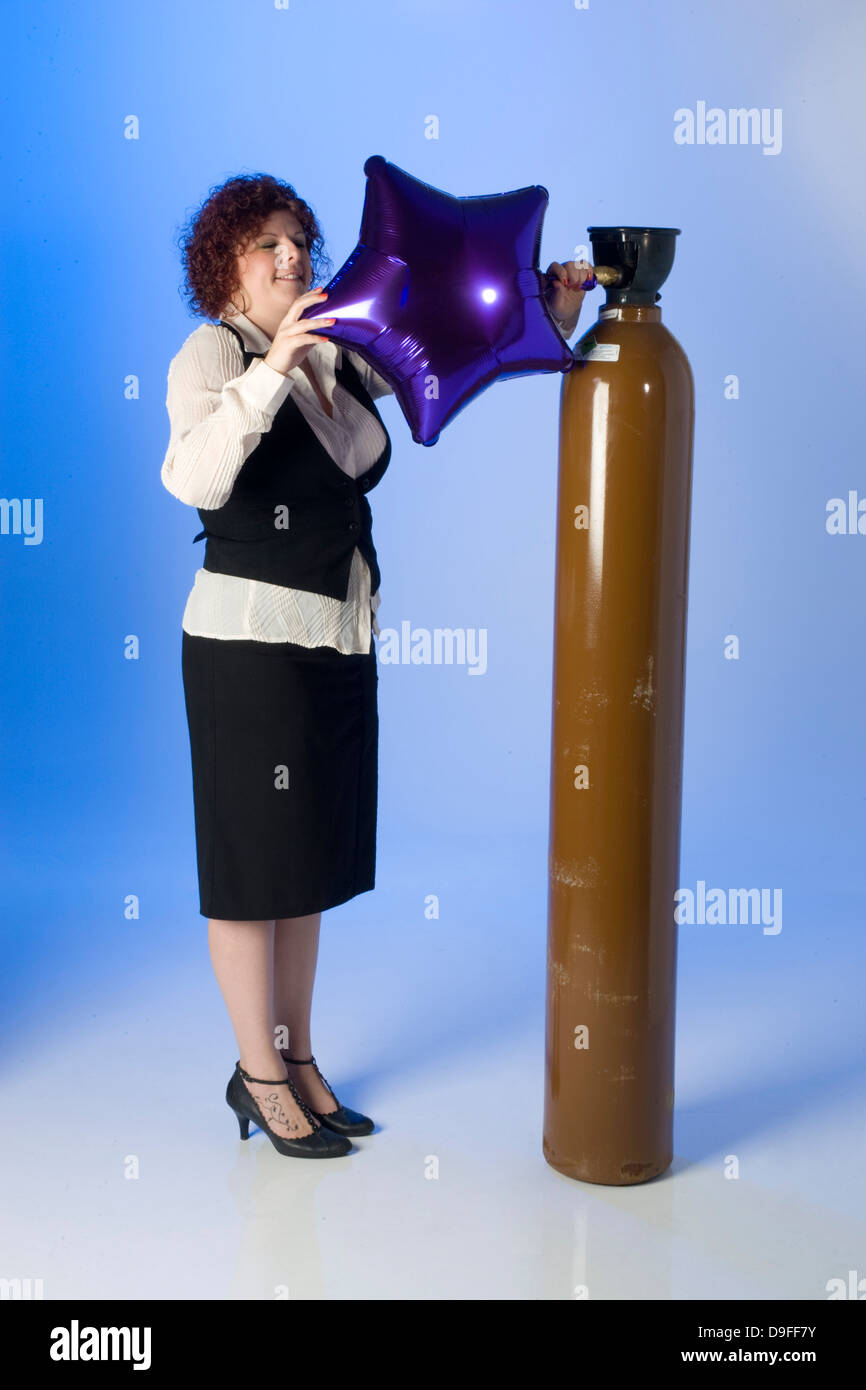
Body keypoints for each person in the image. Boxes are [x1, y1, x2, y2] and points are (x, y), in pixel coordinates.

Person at [161, 172, 592, 1160]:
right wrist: (276, 368)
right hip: (246, 642)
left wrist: (548, 312)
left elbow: (443, 361)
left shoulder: (335, 358)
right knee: (251, 871)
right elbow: (191, 475)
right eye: (267, 244)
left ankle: (296, 1058)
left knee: (305, 864)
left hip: (337, 635)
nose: (292, 259)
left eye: (299, 240)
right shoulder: (214, 352)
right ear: (225, 265)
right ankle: (256, 1075)